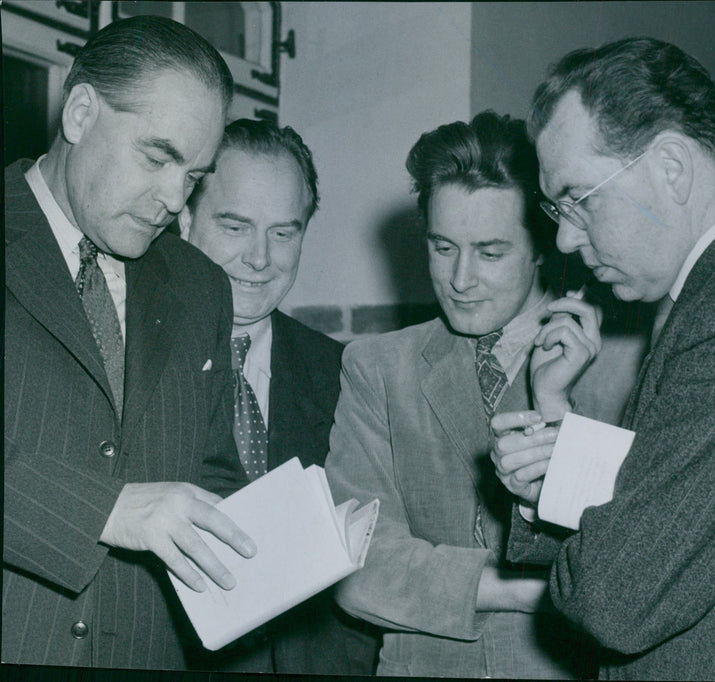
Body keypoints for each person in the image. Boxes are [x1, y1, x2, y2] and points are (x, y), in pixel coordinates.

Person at [492, 37, 715, 680]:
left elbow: (614, 598)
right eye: (555, 209)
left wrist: (608, 532)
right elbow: (691, 523)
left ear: (671, 166)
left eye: (578, 198)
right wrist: (564, 472)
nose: (567, 239)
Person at [324, 111, 625, 678]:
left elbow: (635, 558)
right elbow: (355, 568)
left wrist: (555, 406)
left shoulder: (624, 362)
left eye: (490, 253)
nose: (460, 279)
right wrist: (523, 591)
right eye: (442, 248)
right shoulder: (377, 368)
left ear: (544, 245)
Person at [3, 16, 257, 669]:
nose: (175, 198)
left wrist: (281, 540)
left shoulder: (201, 286)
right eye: (157, 155)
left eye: (195, 174)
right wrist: (102, 508)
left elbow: (212, 471)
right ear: (82, 113)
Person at [178, 118, 381, 674]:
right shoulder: (130, 357)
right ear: (184, 217)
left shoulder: (347, 373)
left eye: (283, 232)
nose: (260, 257)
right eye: (235, 225)